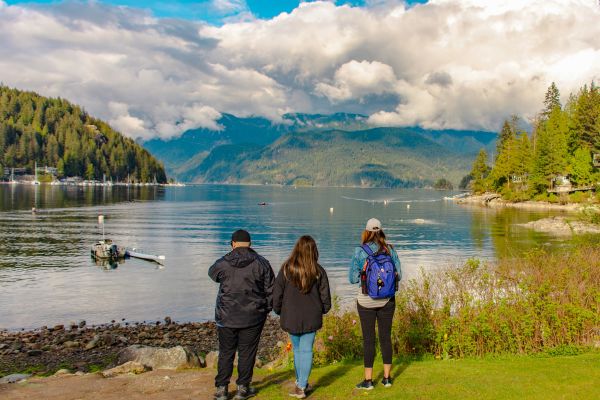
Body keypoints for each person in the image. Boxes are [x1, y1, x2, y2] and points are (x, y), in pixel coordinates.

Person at [208, 229, 275, 400]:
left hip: (226, 316)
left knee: (226, 352)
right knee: (247, 352)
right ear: (250, 244)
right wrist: (265, 309)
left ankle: (222, 388)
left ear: (233, 244)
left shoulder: (223, 263)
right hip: (253, 316)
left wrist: (229, 257)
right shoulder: (262, 263)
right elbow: (271, 291)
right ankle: (242, 388)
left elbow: (212, 274)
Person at [273, 235, 331, 399]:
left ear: (297, 248)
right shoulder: (318, 271)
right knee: (305, 350)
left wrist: (278, 310)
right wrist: (324, 310)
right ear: (314, 250)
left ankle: (301, 385)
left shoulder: (286, 269)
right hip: (311, 316)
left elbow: (277, 294)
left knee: (298, 351)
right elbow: (325, 297)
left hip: (290, 316)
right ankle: (301, 384)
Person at [348, 218, 401, 390]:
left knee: (369, 340)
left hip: (365, 301)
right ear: (381, 232)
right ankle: (387, 379)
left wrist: (364, 272)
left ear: (367, 231)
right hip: (387, 300)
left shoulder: (359, 251)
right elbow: (398, 275)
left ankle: (368, 381)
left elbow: (352, 278)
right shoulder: (390, 250)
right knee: (386, 338)